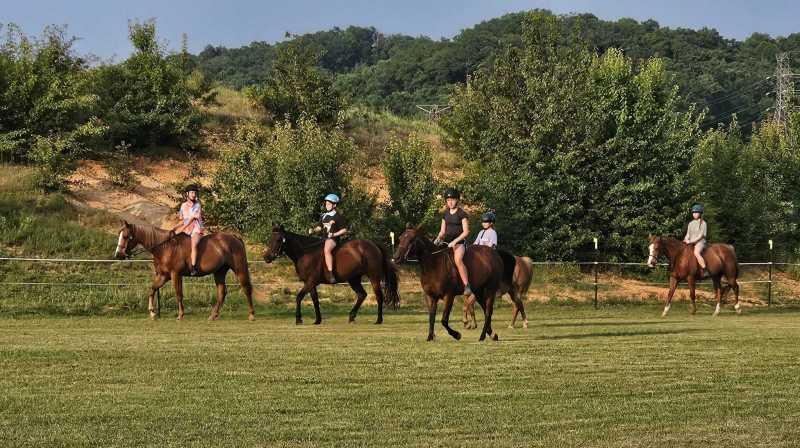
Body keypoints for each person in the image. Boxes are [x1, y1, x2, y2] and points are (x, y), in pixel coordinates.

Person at [435, 188, 472, 295]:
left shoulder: (462, 214)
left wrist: (455, 241)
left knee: (458, 259)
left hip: (459, 243)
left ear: (457, 200)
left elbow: (466, 232)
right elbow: (442, 231)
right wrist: (438, 239)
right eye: (448, 200)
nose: (450, 202)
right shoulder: (445, 214)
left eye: (452, 199)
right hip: (446, 243)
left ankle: (466, 285)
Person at [309, 194, 348, 283]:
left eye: (329, 204)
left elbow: (344, 230)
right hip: (323, 238)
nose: (327, 205)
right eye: (326, 204)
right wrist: (313, 230)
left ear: (334, 205)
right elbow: (320, 227)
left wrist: (334, 234)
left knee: (326, 250)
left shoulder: (338, 216)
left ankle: (331, 274)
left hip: (333, 239)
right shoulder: (323, 216)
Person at [173, 184, 204, 276]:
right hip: (186, 229)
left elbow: (192, 220)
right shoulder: (183, 206)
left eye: (194, 193)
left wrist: (181, 229)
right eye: (191, 192)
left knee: (194, 245)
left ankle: (194, 268)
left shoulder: (197, 205)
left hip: (196, 229)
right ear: (187, 194)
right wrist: (174, 228)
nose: (193, 194)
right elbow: (182, 220)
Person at [684, 203, 708, 277]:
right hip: (691, 242)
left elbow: (701, 236)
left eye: (696, 212)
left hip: (700, 242)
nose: (694, 214)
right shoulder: (690, 223)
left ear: (700, 214)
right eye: (693, 212)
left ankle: (705, 269)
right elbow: (688, 234)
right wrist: (685, 239)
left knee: (696, 252)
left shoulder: (703, 223)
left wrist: (691, 241)